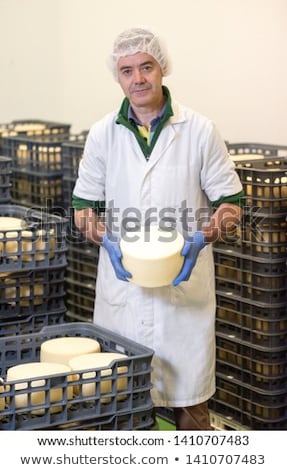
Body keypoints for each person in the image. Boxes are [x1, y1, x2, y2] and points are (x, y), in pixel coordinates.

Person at [72, 27, 244, 430]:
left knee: (192, 406)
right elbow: (82, 209)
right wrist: (105, 240)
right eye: (127, 70)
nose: (138, 79)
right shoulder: (102, 135)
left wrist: (202, 238)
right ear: (118, 77)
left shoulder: (200, 130)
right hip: (124, 291)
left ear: (162, 68)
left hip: (184, 295)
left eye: (146, 67)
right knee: (125, 403)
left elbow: (231, 205)